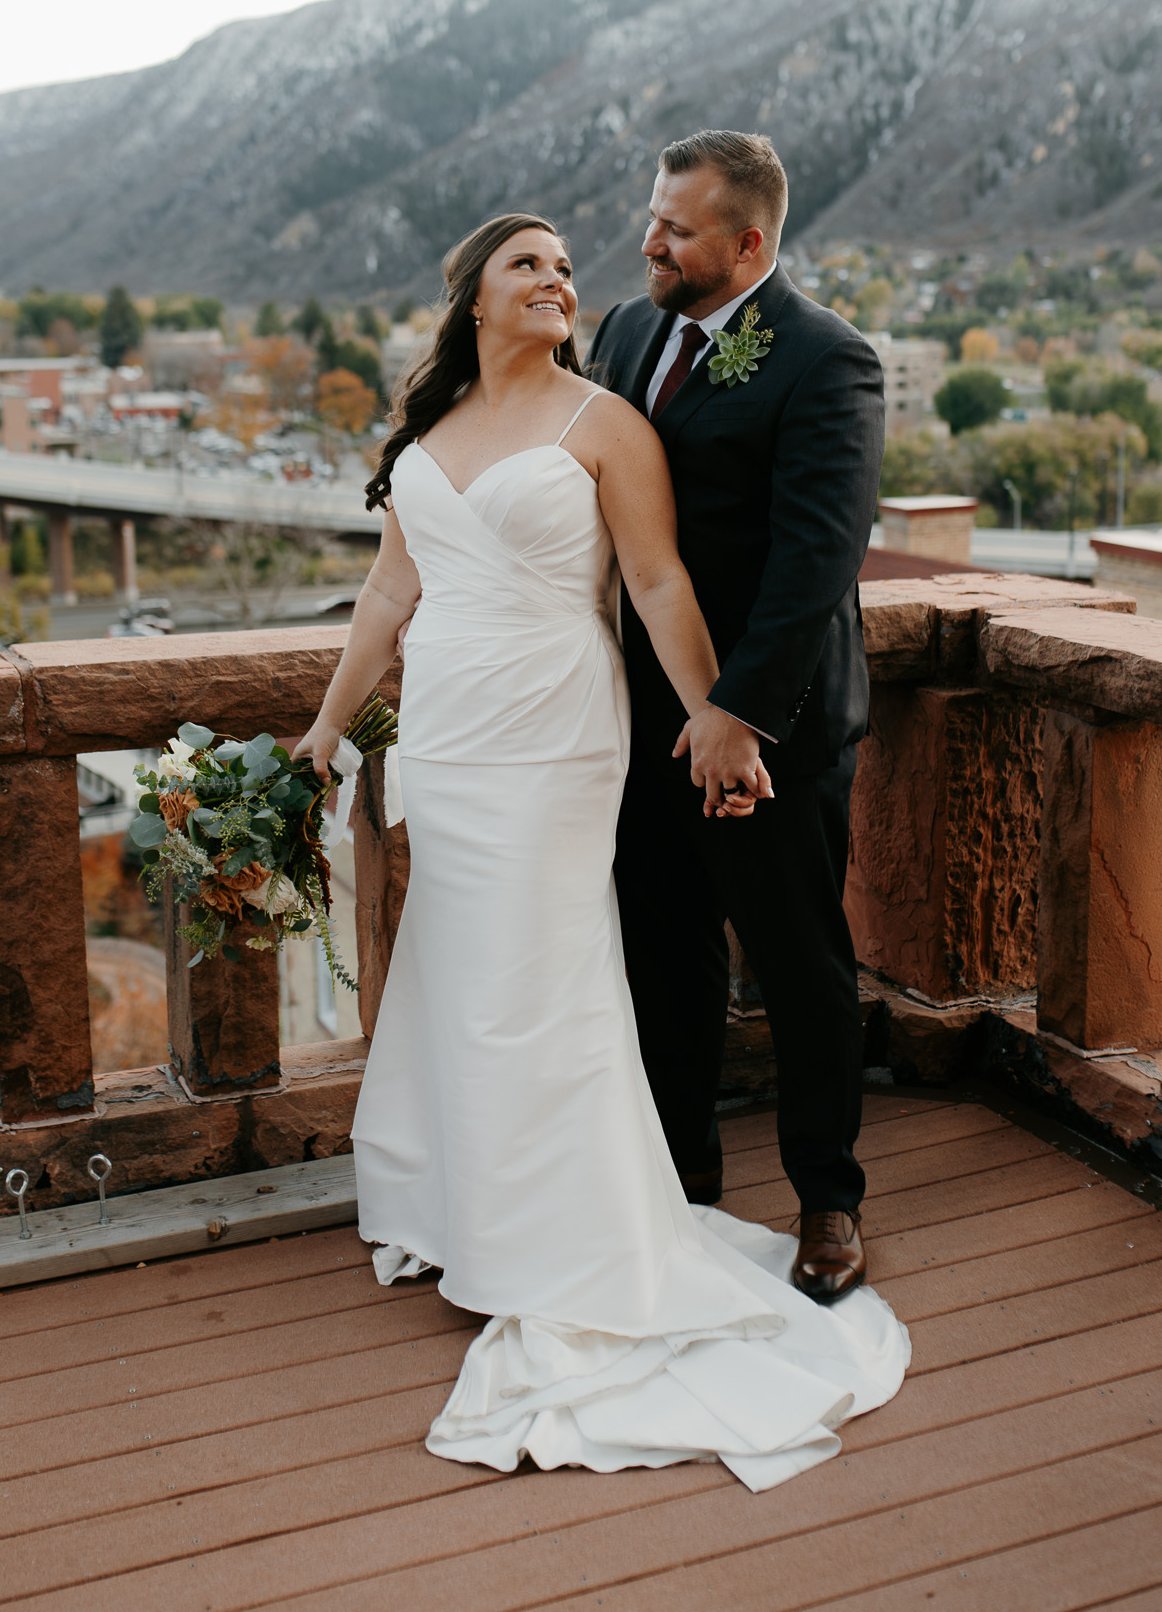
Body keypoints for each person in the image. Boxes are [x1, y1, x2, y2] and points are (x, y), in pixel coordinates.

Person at [295, 209, 906, 1490]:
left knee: (546, 978)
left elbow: (661, 584)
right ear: (473, 296)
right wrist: (325, 727)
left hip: (560, 734)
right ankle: (458, 1201)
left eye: (569, 267)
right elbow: (389, 594)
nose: (563, 279)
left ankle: (564, 1233)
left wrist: (712, 721)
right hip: (452, 740)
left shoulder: (604, 422)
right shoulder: (425, 433)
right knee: (459, 964)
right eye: (531, 263)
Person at [587, 130, 885, 1303]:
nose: (647, 239)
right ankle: (680, 1176)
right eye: (652, 215)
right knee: (663, 956)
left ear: (748, 243)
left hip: (772, 729)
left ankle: (828, 1199)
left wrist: (737, 713)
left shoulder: (827, 359)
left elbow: (816, 558)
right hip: (637, 722)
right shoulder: (622, 328)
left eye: (675, 226)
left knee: (801, 963)